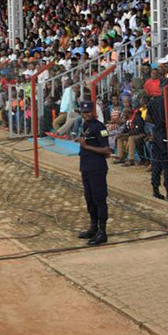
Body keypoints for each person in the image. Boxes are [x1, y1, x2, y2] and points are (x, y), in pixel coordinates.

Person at [76, 101, 111, 246]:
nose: (86, 114)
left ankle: (102, 232)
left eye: (89, 112)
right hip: (86, 167)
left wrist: (86, 146)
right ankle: (93, 227)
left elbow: (106, 151)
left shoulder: (99, 127)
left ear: (94, 112)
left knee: (99, 199)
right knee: (89, 199)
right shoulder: (85, 125)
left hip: (96, 168)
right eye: (84, 112)